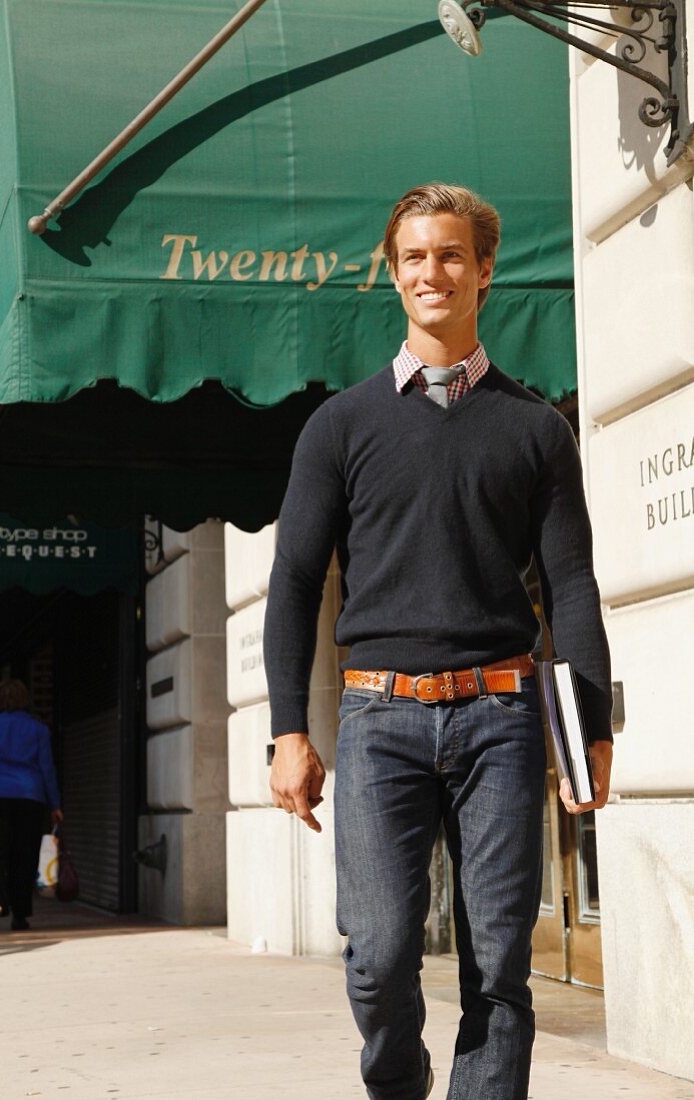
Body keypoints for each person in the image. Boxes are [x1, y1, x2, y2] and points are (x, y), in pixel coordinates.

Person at [263, 183, 613, 1100]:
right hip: (379, 718)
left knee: (498, 963)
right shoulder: (339, 427)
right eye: (415, 256)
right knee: (378, 960)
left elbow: (571, 586)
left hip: (499, 714)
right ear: (393, 273)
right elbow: (295, 582)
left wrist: (591, 730)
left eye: (452, 254)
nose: (434, 272)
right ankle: (403, 1078)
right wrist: (288, 731)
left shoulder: (536, 429)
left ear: (485, 271)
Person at [0, 678, 63, 935]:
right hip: (30, 797)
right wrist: (55, 804)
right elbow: (47, 769)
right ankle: (19, 915)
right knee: (24, 854)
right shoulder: (38, 729)